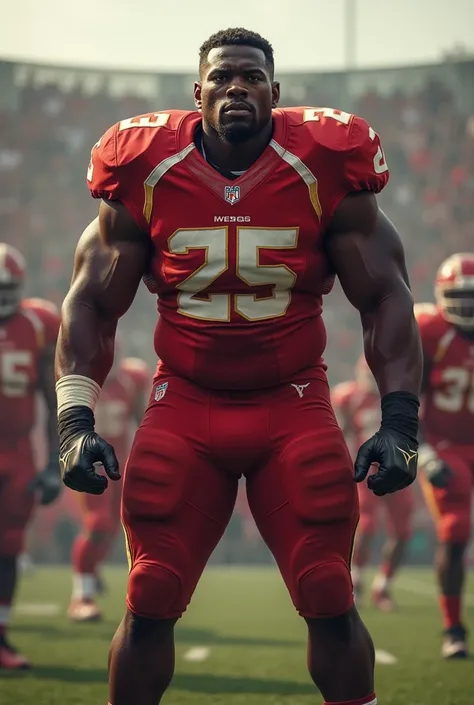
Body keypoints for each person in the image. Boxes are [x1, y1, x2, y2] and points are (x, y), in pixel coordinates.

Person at [55, 28, 422, 705]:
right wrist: (75, 416)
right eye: (221, 77)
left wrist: (400, 418)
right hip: (185, 402)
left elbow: (386, 295)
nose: (235, 88)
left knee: (327, 588)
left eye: (251, 77)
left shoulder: (324, 158)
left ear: (275, 93)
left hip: (292, 401)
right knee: (151, 589)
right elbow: (91, 301)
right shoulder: (144, 164)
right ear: (197, 92)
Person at [0, 249, 61, 670]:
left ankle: (0, 638)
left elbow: (52, 395)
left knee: (8, 545)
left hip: (16, 451)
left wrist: (56, 463)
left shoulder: (38, 324)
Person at [415, 253, 474, 659]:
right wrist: (424, 453)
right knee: (455, 530)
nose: (467, 307)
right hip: (447, 445)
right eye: (460, 297)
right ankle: (453, 628)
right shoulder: (430, 332)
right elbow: (405, 398)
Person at [68, 355, 150, 621]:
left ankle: (91, 569)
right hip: (88, 463)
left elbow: (143, 420)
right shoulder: (79, 376)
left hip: (118, 466)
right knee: (98, 523)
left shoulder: (131, 379)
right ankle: (81, 596)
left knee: (113, 529)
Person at [332, 357, 414, 612]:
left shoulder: (400, 397)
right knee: (365, 525)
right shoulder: (348, 397)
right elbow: (340, 432)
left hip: (397, 468)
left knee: (402, 531)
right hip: (366, 469)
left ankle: (383, 585)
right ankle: (356, 580)